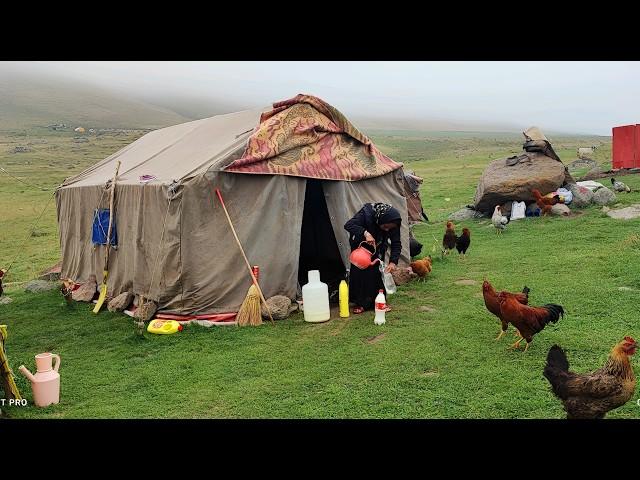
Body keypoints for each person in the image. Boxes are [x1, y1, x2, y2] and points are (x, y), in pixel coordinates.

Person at [344, 202, 402, 314]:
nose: (386, 230)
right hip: (362, 249)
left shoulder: (394, 223)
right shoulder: (366, 214)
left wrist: (393, 262)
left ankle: (380, 302)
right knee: (361, 275)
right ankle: (361, 303)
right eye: (385, 227)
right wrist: (365, 233)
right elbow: (348, 225)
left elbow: (396, 243)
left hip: (378, 247)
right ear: (381, 220)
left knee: (377, 273)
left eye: (389, 229)